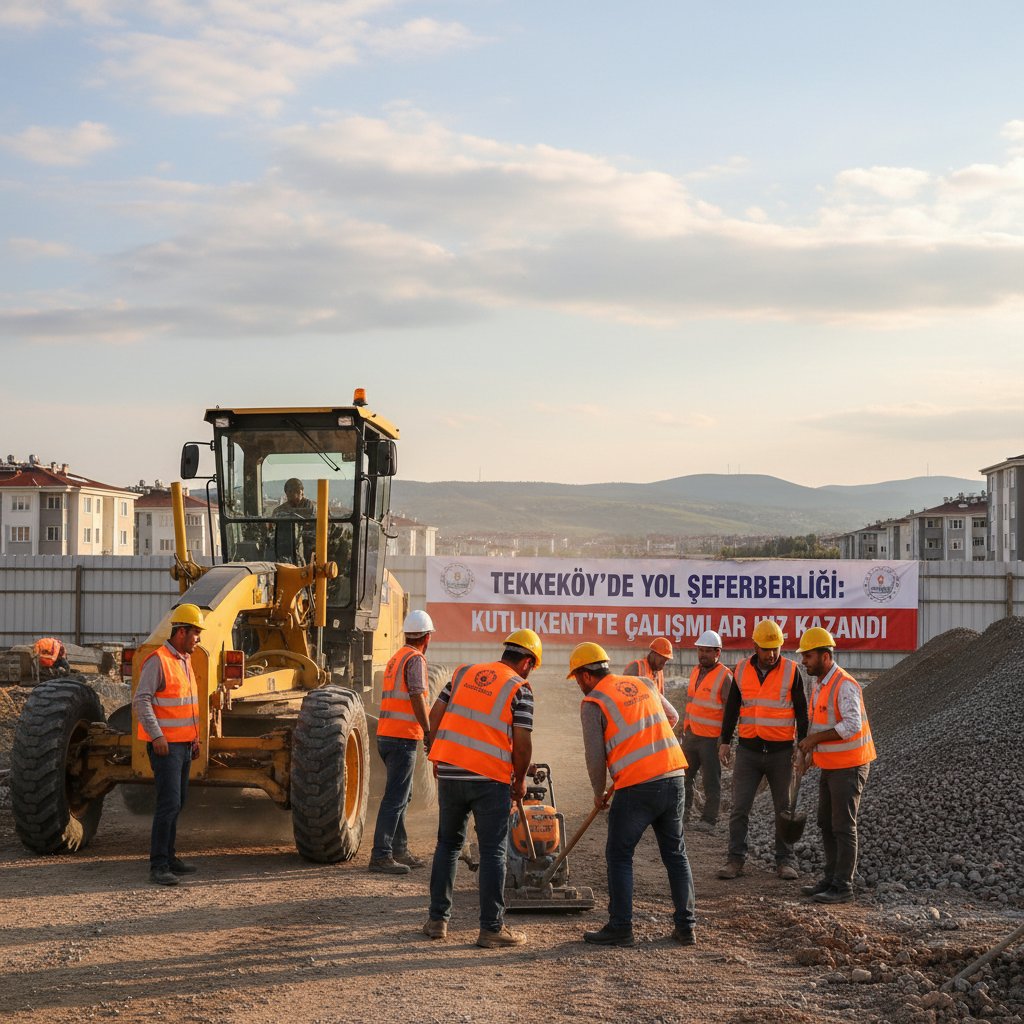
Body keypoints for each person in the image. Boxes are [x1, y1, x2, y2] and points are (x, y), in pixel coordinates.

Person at [570, 642, 696, 948]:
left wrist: (599, 793)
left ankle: (621, 927)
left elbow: (595, 757)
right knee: (676, 854)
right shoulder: (643, 683)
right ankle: (686, 927)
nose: (577, 685)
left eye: (576, 678)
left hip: (638, 786)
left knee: (619, 854)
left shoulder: (594, 702)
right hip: (674, 773)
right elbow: (673, 716)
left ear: (586, 676)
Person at [423, 629, 541, 948]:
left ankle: (437, 921)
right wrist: (518, 781)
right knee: (492, 850)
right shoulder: (520, 688)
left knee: (448, 844)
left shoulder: (463, 673)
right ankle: (491, 928)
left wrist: (437, 755)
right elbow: (522, 743)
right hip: (490, 779)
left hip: (450, 772)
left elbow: (435, 716)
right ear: (527, 662)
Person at [716, 619, 808, 882]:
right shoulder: (742, 669)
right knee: (739, 808)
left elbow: (802, 712)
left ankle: (784, 861)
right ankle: (735, 860)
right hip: (748, 751)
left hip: (781, 753)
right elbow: (733, 706)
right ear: (755, 646)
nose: (771, 655)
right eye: (766, 649)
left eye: (776, 648)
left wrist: (802, 746)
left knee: (784, 809)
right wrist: (725, 741)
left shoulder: (792, 671)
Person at [796, 627, 877, 905]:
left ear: (825, 656)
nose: (803, 661)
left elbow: (852, 725)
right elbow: (819, 723)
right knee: (826, 823)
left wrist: (814, 739)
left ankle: (843, 886)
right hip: (830, 765)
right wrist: (809, 754)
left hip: (850, 765)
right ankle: (831, 878)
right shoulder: (820, 683)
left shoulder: (844, 684)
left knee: (843, 826)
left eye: (808, 656)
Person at [132, 604, 204, 886]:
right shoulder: (157, 660)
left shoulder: (184, 660)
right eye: (196, 632)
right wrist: (158, 736)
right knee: (168, 803)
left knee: (179, 802)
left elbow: (185, 706)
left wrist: (194, 738)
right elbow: (141, 700)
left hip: (183, 746)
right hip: (166, 748)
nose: (199, 638)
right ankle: (159, 865)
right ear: (182, 631)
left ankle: (170, 857)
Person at [369, 609, 435, 875]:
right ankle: (381, 855)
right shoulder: (415, 660)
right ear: (427, 638)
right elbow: (418, 697)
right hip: (402, 737)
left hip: (386, 736)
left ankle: (399, 849)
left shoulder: (396, 658)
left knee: (403, 795)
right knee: (395, 798)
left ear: (407, 634)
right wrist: (429, 731)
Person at [682, 630, 733, 830]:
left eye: (707, 651)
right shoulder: (695, 671)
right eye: (700, 650)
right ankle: (682, 816)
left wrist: (725, 740)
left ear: (717, 653)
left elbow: (730, 712)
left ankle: (709, 820)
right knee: (684, 777)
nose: (702, 654)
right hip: (691, 735)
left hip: (710, 739)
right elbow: (691, 704)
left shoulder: (725, 676)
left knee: (712, 781)